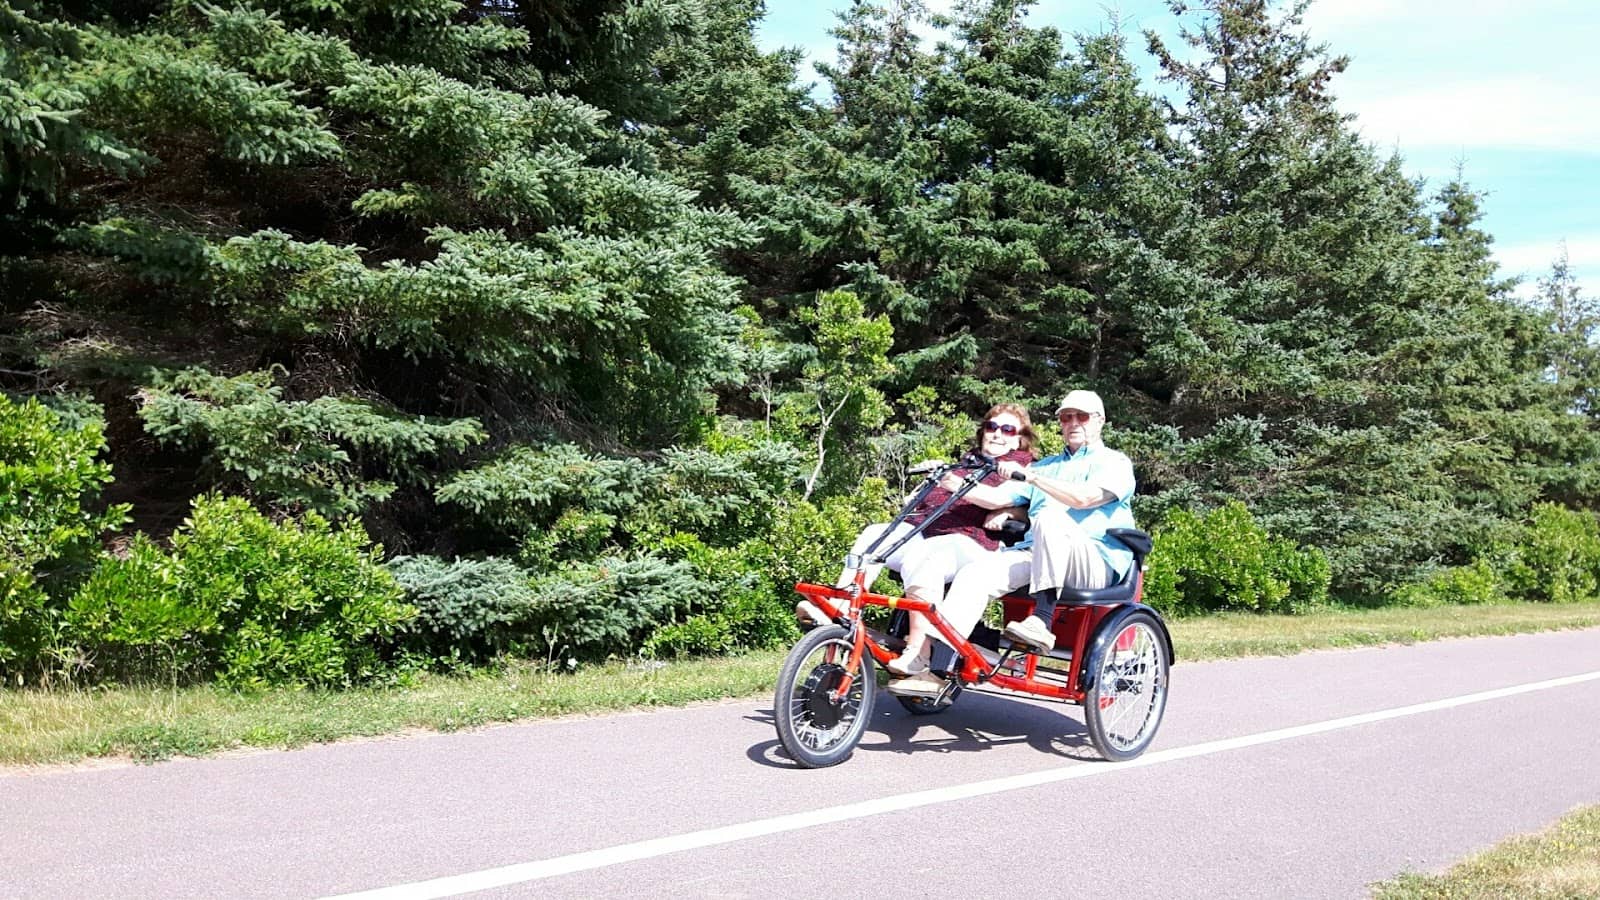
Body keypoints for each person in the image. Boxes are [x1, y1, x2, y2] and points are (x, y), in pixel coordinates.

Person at [800, 404, 1037, 694]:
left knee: (929, 557)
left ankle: (918, 651)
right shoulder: (968, 461)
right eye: (992, 427)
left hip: (972, 543)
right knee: (874, 534)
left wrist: (1005, 509)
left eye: (1007, 429)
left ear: (1019, 438)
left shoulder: (1022, 469)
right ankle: (839, 607)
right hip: (925, 531)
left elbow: (1003, 500)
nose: (998, 434)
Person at [922, 389, 1135, 675]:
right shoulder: (1046, 466)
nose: (1073, 423)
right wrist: (950, 480)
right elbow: (994, 498)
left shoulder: (1115, 463)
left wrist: (1034, 478)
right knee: (975, 572)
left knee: (1049, 516)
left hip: (1092, 562)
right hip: (1036, 555)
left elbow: (1083, 499)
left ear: (1099, 420)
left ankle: (1042, 621)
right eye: (1065, 417)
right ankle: (936, 668)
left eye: (1081, 416)